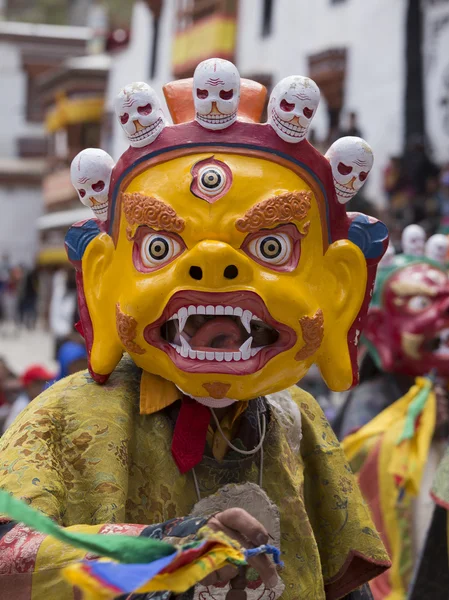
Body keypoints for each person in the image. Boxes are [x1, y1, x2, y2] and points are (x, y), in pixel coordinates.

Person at [0, 61, 390, 599]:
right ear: (102, 280)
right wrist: (165, 549)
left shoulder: (299, 417)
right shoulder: (63, 416)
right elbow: (7, 554)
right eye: (158, 248)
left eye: (271, 247)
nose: (212, 266)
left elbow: (339, 580)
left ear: (339, 286)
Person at [336, 245, 449, 599]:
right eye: (420, 304)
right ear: (379, 327)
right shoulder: (369, 399)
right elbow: (351, 463)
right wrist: (419, 428)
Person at [2, 364, 55, 434]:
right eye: (41, 383)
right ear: (31, 385)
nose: (44, 386)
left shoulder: (37, 401)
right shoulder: (21, 407)